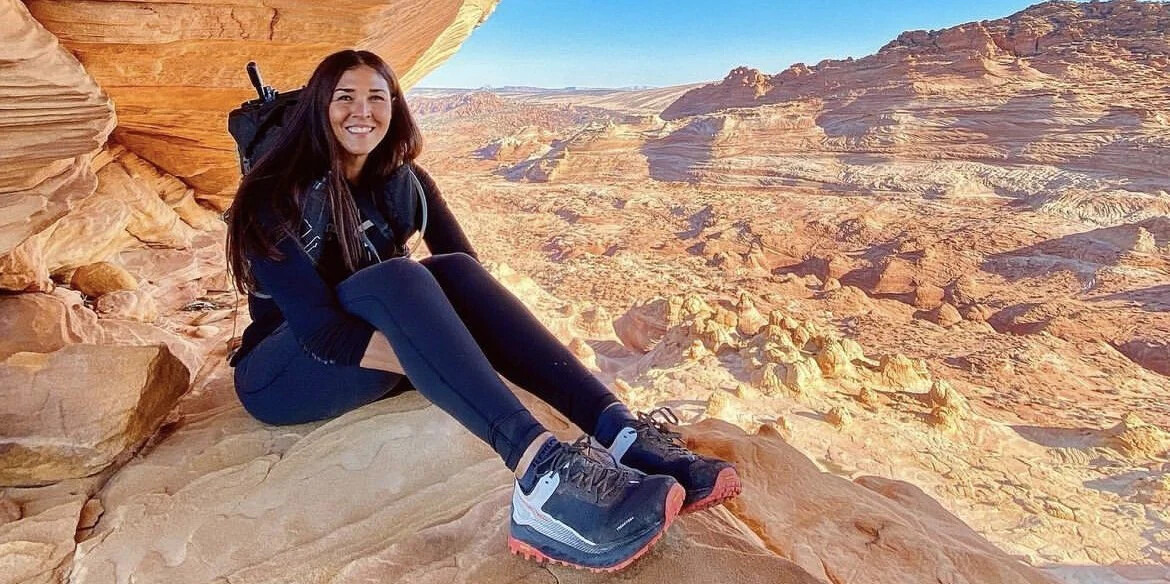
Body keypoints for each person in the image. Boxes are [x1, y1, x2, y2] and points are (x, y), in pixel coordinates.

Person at [224, 49, 741, 572]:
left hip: (373, 355)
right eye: (345, 98)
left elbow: (466, 281)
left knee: (451, 269)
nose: (363, 111)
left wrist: (448, 348)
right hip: (286, 374)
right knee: (399, 276)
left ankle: (621, 432)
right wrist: (440, 357)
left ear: (395, 107)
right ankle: (542, 480)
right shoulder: (272, 195)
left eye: (377, 97)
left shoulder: (403, 182)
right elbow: (322, 336)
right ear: (319, 107)